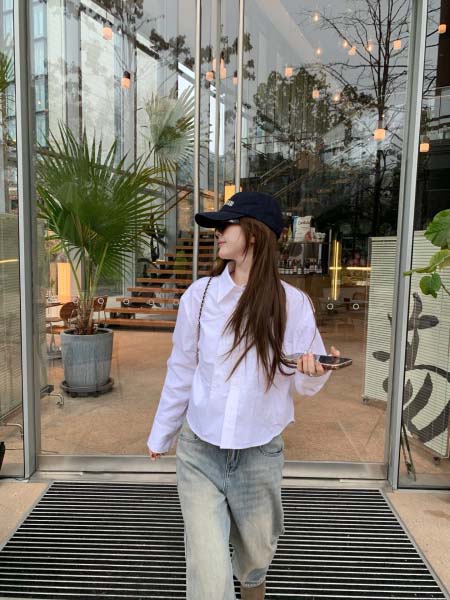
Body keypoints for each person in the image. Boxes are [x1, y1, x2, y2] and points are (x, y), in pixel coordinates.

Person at [147, 191, 339, 600]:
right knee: (209, 574)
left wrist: (314, 371)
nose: (217, 232)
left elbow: (300, 383)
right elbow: (182, 369)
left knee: (254, 560)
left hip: (258, 453)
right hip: (200, 451)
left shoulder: (292, 304)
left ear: (254, 234)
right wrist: (162, 433)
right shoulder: (199, 296)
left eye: (226, 225)